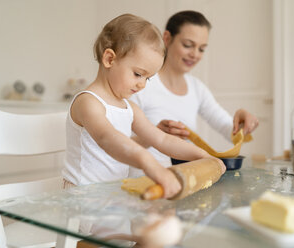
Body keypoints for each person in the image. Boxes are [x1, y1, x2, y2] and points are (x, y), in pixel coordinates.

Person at [62, 14, 225, 199]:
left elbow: (162, 140)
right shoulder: (88, 102)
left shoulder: (129, 107)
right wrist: (148, 163)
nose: (142, 85)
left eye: (148, 78)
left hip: (113, 194)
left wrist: (204, 156)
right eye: (138, 74)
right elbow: (108, 138)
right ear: (109, 59)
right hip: (82, 197)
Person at [130, 10, 259, 170]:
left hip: (185, 180)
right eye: (188, 45)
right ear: (167, 38)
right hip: (145, 181)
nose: (195, 54)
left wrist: (241, 124)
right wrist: (154, 135)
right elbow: (117, 143)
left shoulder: (197, 88)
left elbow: (229, 131)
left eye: (202, 49)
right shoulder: (140, 84)